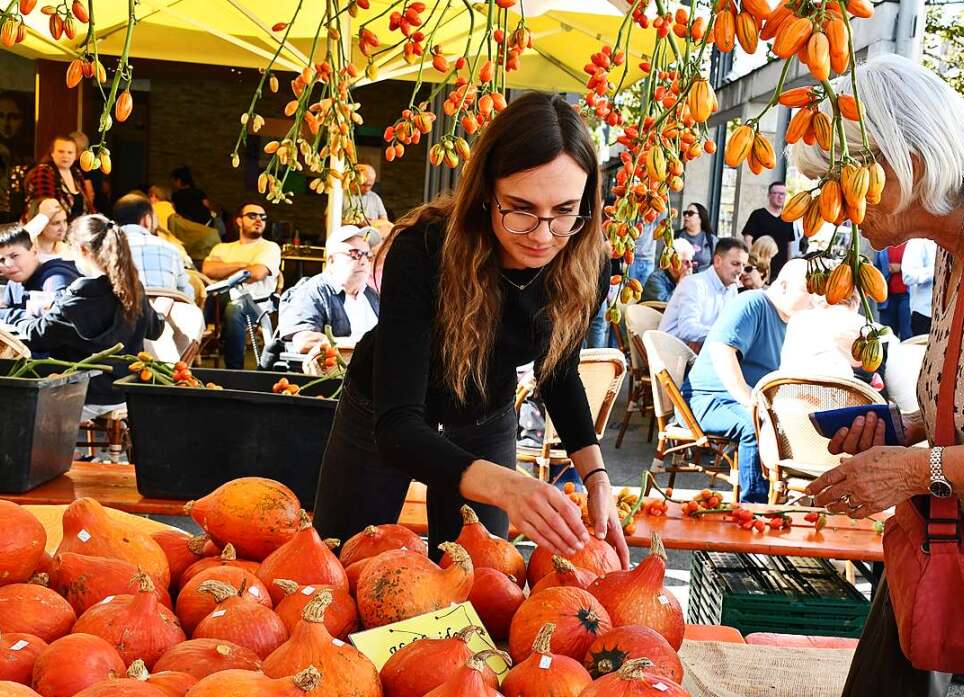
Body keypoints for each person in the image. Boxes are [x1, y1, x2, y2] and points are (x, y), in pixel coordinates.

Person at [790, 54, 964, 697]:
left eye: (843, 179)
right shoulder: (956, 245)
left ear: (908, 158)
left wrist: (914, 471)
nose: (838, 205)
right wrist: (902, 428)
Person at [312, 92, 629, 568]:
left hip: (484, 418)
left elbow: (558, 371)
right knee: (339, 564)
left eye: (565, 210)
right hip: (382, 414)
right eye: (520, 209)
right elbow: (398, 427)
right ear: (485, 193)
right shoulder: (422, 251)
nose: (544, 235)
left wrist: (597, 478)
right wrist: (509, 485)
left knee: (480, 580)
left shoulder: (586, 263)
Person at [683, 259, 811, 502]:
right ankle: (753, 508)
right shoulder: (753, 302)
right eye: (809, 291)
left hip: (734, 401)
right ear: (784, 286)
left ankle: (783, 498)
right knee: (757, 425)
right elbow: (722, 349)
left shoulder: (789, 320)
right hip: (707, 400)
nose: (814, 300)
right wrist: (748, 399)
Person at [11, 215, 163, 418]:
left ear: (82, 249)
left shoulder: (82, 293)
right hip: (128, 389)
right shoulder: (134, 288)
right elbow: (155, 329)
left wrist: (11, 315)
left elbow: (35, 337)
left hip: (84, 395)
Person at [202, 201, 282, 369]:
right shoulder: (222, 248)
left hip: (256, 303)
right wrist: (242, 266)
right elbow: (208, 270)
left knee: (234, 308)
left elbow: (257, 273)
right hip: (218, 300)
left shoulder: (270, 247)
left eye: (263, 217)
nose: (259, 220)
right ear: (239, 221)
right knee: (195, 302)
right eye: (252, 216)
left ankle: (234, 370)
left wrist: (226, 269)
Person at [277, 224, 380, 352]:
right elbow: (303, 340)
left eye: (368, 255)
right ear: (331, 260)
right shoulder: (312, 291)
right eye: (355, 254)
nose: (364, 261)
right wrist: (360, 344)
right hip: (335, 370)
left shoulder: (371, 295)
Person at [658, 237, 748, 347]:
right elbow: (687, 329)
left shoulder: (732, 289)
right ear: (717, 261)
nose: (740, 271)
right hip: (669, 355)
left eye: (743, 265)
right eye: (735, 264)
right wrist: (725, 335)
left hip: (699, 355)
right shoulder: (695, 284)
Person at [0, 217, 80, 322]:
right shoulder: (14, 284)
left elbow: (57, 320)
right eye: (1, 260)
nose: (8, 264)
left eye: (14, 256)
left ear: (34, 252)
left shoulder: (55, 277)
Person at [112, 193, 194, 299]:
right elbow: (187, 294)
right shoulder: (170, 248)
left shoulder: (105, 249)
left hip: (120, 313)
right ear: (146, 220)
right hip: (165, 313)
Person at [780, 289, 867, 380]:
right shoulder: (859, 324)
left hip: (788, 388)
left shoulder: (797, 319)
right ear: (857, 301)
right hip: (835, 389)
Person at [23, 135, 94, 221]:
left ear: (76, 155)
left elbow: (88, 206)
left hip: (76, 230)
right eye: (61, 151)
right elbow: (48, 208)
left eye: (70, 152)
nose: (65, 156)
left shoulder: (76, 173)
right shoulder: (44, 171)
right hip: (47, 229)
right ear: (52, 153)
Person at [742, 181, 795, 278]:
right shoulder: (758, 215)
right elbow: (747, 238)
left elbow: (789, 245)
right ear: (769, 195)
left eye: (782, 194)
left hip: (780, 269)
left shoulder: (788, 218)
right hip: (759, 269)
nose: (780, 197)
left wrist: (789, 267)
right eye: (776, 193)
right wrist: (752, 261)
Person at [900, 238, 935, 337]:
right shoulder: (918, 240)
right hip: (925, 314)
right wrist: (938, 270)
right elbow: (908, 275)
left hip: (948, 313)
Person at [642, 238, 694, 303]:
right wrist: (681, 284)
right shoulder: (655, 279)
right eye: (686, 262)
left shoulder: (687, 279)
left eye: (692, 261)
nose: (690, 265)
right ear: (672, 264)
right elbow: (666, 305)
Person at [878, 241, 912, 339]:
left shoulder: (912, 243)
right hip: (887, 298)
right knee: (886, 337)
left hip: (907, 295)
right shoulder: (883, 244)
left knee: (907, 335)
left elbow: (918, 267)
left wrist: (901, 268)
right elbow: (877, 266)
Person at [675, 202, 717, 273]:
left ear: (701, 218)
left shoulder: (711, 240)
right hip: (679, 281)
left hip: (703, 281)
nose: (686, 216)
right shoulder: (676, 236)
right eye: (685, 213)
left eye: (690, 213)